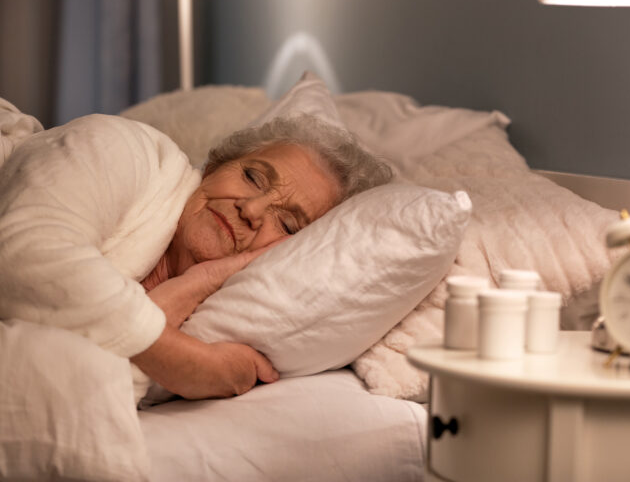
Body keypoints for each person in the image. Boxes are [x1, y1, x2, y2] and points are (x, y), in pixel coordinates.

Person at [0, 112, 392, 401]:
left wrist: (194, 286)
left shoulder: (215, 314)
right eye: (253, 177)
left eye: (288, 225)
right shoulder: (126, 148)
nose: (252, 209)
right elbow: (24, 253)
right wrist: (194, 365)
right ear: (214, 168)